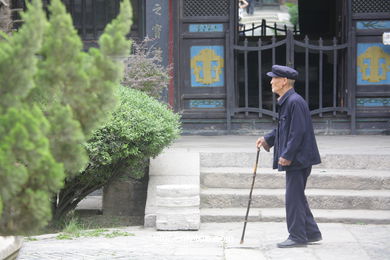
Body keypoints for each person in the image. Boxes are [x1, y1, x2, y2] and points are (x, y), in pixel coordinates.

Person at [256, 65, 322, 248]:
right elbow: (284, 128)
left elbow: (298, 132)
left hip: (299, 159)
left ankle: (298, 236)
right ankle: (311, 232)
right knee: (297, 196)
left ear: (284, 81)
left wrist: (287, 155)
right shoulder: (288, 101)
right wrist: (267, 139)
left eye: (273, 78)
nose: (271, 82)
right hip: (298, 157)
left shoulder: (294, 102)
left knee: (293, 198)